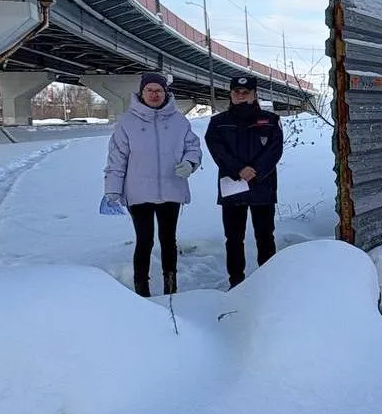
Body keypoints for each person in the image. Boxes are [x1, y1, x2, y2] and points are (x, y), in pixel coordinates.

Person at [104, 72, 202, 297]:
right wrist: (112, 189)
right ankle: (142, 291)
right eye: (150, 90)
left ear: (166, 92)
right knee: (144, 241)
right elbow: (116, 158)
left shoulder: (179, 121)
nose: (154, 94)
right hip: (138, 193)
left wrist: (190, 162)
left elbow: (193, 147)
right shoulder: (127, 122)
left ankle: (171, 288)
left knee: (168, 240)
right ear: (142, 92)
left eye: (159, 90)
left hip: (171, 190)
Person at [205, 75, 284, 288]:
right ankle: (236, 282)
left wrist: (256, 171)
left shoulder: (270, 120)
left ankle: (267, 282)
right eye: (237, 92)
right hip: (233, 187)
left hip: (262, 187)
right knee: (233, 239)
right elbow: (217, 151)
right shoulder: (217, 123)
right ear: (231, 94)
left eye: (246, 92)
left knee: (265, 236)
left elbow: (275, 150)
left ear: (254, 94)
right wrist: (239, 169)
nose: (241, 96)